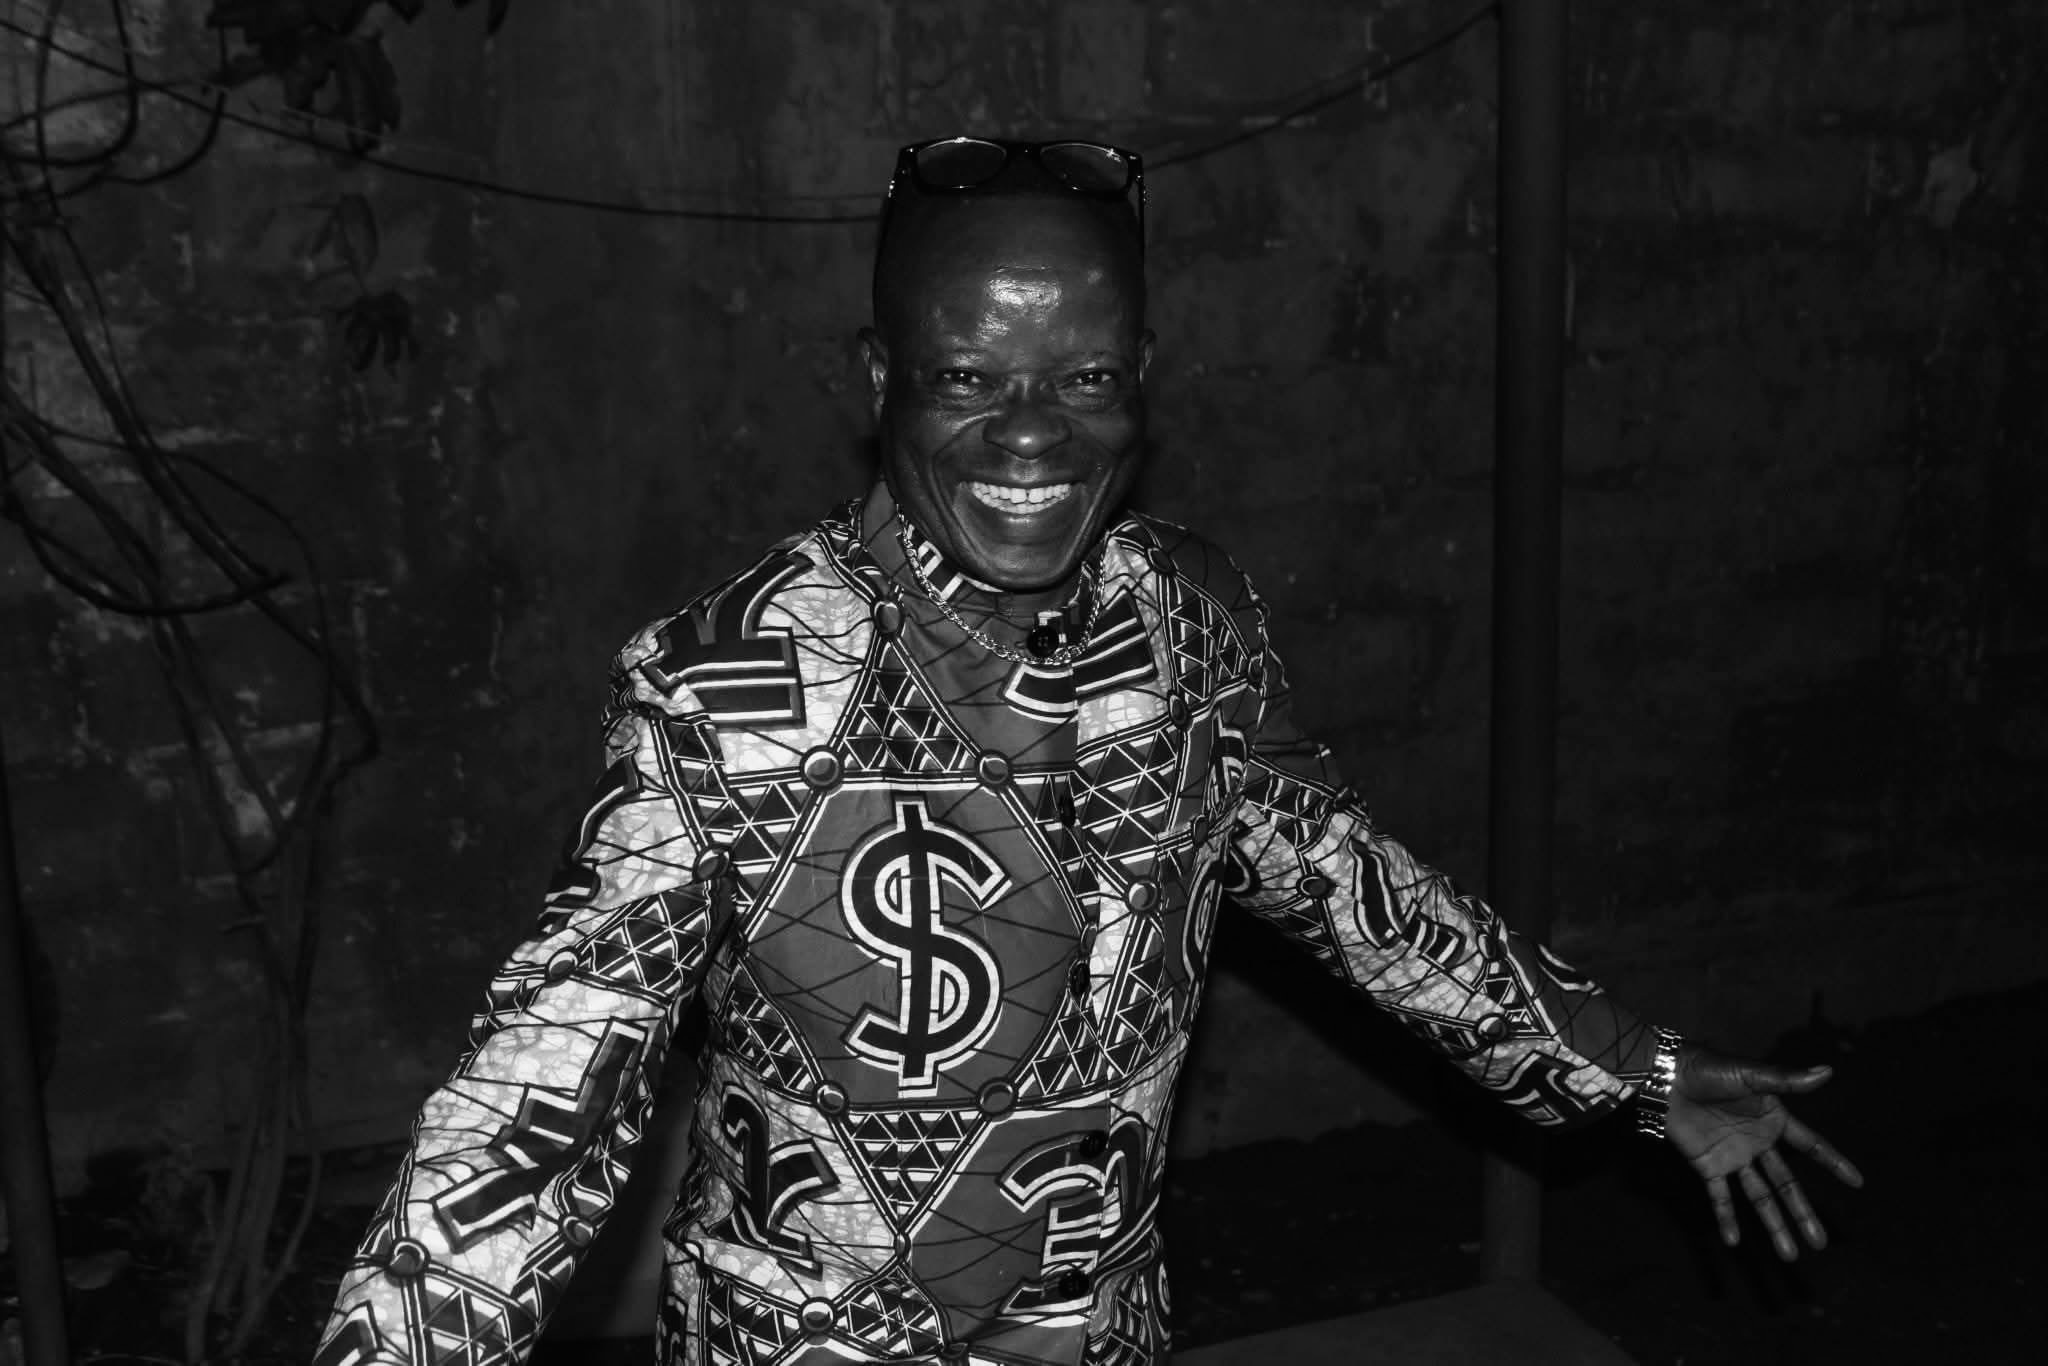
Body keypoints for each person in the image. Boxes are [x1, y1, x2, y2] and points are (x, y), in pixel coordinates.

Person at [315, 137, 1862, 1366]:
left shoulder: (1192, 628)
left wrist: (1633, 1066)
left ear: (1144, 377)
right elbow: (540, 1090)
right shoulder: (725, 691)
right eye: (968, 377)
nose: (1032, 434)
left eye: (1088, 377)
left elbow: (1362, 899)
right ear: (878, 379)